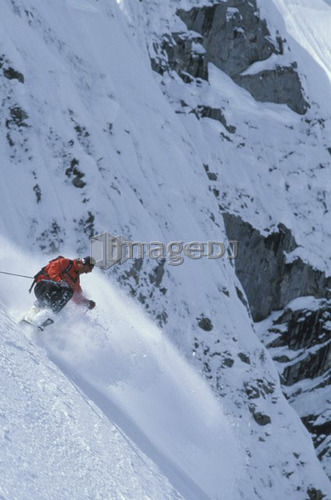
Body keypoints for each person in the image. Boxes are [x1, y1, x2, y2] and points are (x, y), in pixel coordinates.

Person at [31, 256, 96, 313]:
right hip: (42, 287)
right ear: (82, 263)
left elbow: (76, 296)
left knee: (69, 292)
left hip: (52, 293)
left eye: (89, 271)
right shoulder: (66, 263)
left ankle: (50, 314)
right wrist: (59, 281)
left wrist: (87, 303)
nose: (86, 272)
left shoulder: (75, 280)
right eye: (87, 268)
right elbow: (52, 270)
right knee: (59, 287)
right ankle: (37, 307)